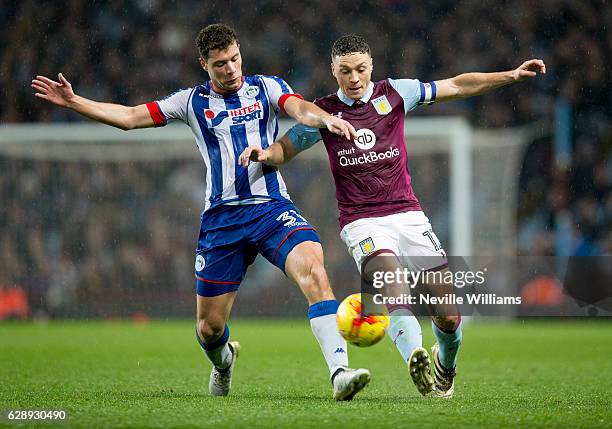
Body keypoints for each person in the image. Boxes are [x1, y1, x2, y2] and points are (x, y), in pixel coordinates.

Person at [31, 24, 372, 401]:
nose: (230, 69)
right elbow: (129, 117)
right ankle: (224, 362)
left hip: (271, 208)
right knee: (209, 329)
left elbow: (299, 108)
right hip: (222, 221)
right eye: (220, 64)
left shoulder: (267, 87)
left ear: (240, 51)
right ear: (204, 65)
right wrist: (75, 102)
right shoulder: (190, 102)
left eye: (234, 59)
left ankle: (340, 372)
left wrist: (324, 118)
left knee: (313, 267)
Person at [239, 34, 546, 397]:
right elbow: (284, 150)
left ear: (371, 66)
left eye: (361, 70)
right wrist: (263, 154)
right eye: (345, 71)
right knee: (392, 283)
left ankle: (445, 365)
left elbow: (456, 85)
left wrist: (509, 76)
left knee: (446, 314)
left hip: (409, 216)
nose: (354, 78)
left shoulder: (396, 93)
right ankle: (417, 361)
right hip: (361, 221)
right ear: (332, 70)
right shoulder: (322, 114)